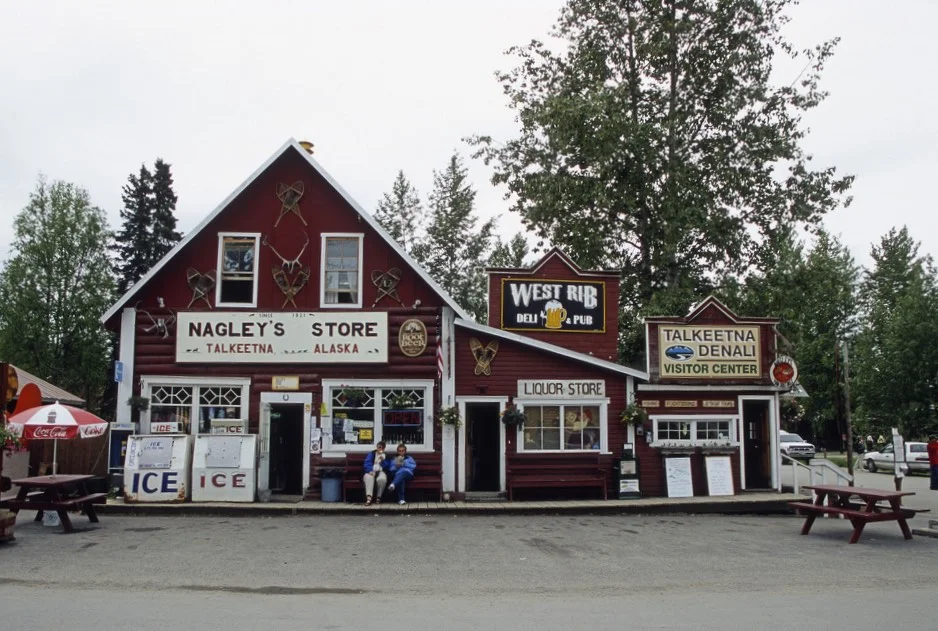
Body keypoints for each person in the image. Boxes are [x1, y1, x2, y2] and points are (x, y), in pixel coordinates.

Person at [362, 441, 388, 506]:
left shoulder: (385, 455)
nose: (380, 449)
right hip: (371, 471)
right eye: (379, 447)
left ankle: (378, 497)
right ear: (377, 447)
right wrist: (370, 470)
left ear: (384, 448)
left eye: (382, 448)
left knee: (382, 479)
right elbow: (367, 463)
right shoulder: (372, 454)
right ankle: (369, 498)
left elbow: (387, 466)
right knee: (369, 477)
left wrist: (383, 461)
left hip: (381, 471)